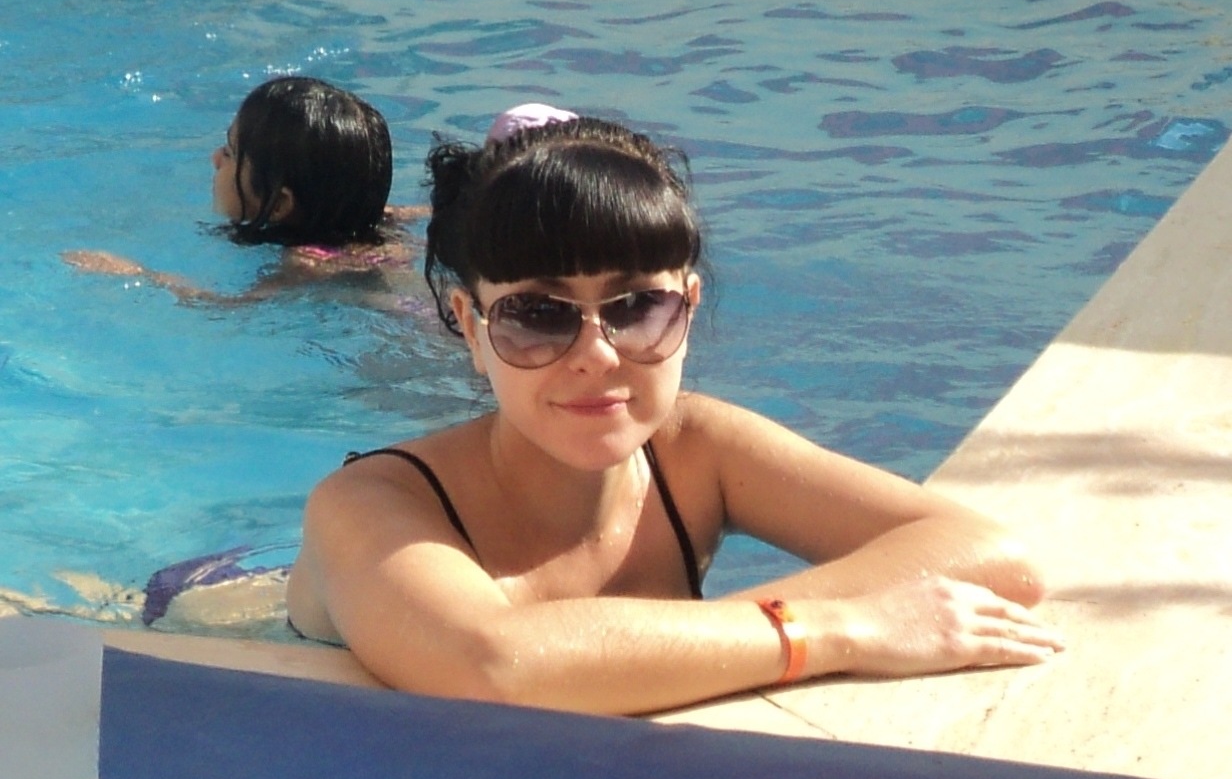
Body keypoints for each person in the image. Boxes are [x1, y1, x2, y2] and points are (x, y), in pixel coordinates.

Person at [286, 108, 1064, 717]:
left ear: (688, 306)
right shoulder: (367, 506)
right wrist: (835, 629)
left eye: (637, 308)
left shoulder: (696, 448)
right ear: (469, 326)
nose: (597, 354)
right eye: (538, 315)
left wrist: (652, 651)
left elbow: (991, 554)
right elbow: (494, 665)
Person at [63, 76, 423, 305]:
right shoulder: (382, 219)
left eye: (231, 153)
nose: (215, 158)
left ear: (278, 205)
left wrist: (141, 275)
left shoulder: (307, 262)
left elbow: (230, 308)